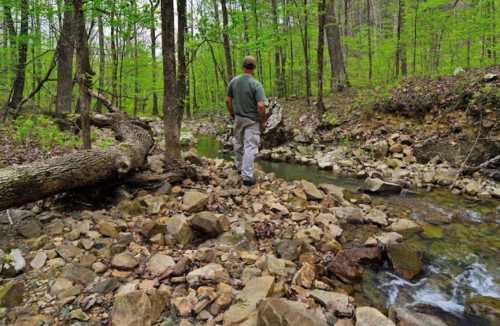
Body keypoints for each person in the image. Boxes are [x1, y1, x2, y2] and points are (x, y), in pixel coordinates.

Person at [225, 56, 267, 186]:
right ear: (253, 68)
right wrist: (263, 120)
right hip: (252, 120)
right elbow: (261, 105)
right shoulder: (256, 84)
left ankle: (239, 167)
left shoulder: (233, 82)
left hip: (238, 118)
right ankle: (247, 176)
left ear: (243, 66)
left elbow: (227, 100)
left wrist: (232, 113)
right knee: (250, 147)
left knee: (238, 143)